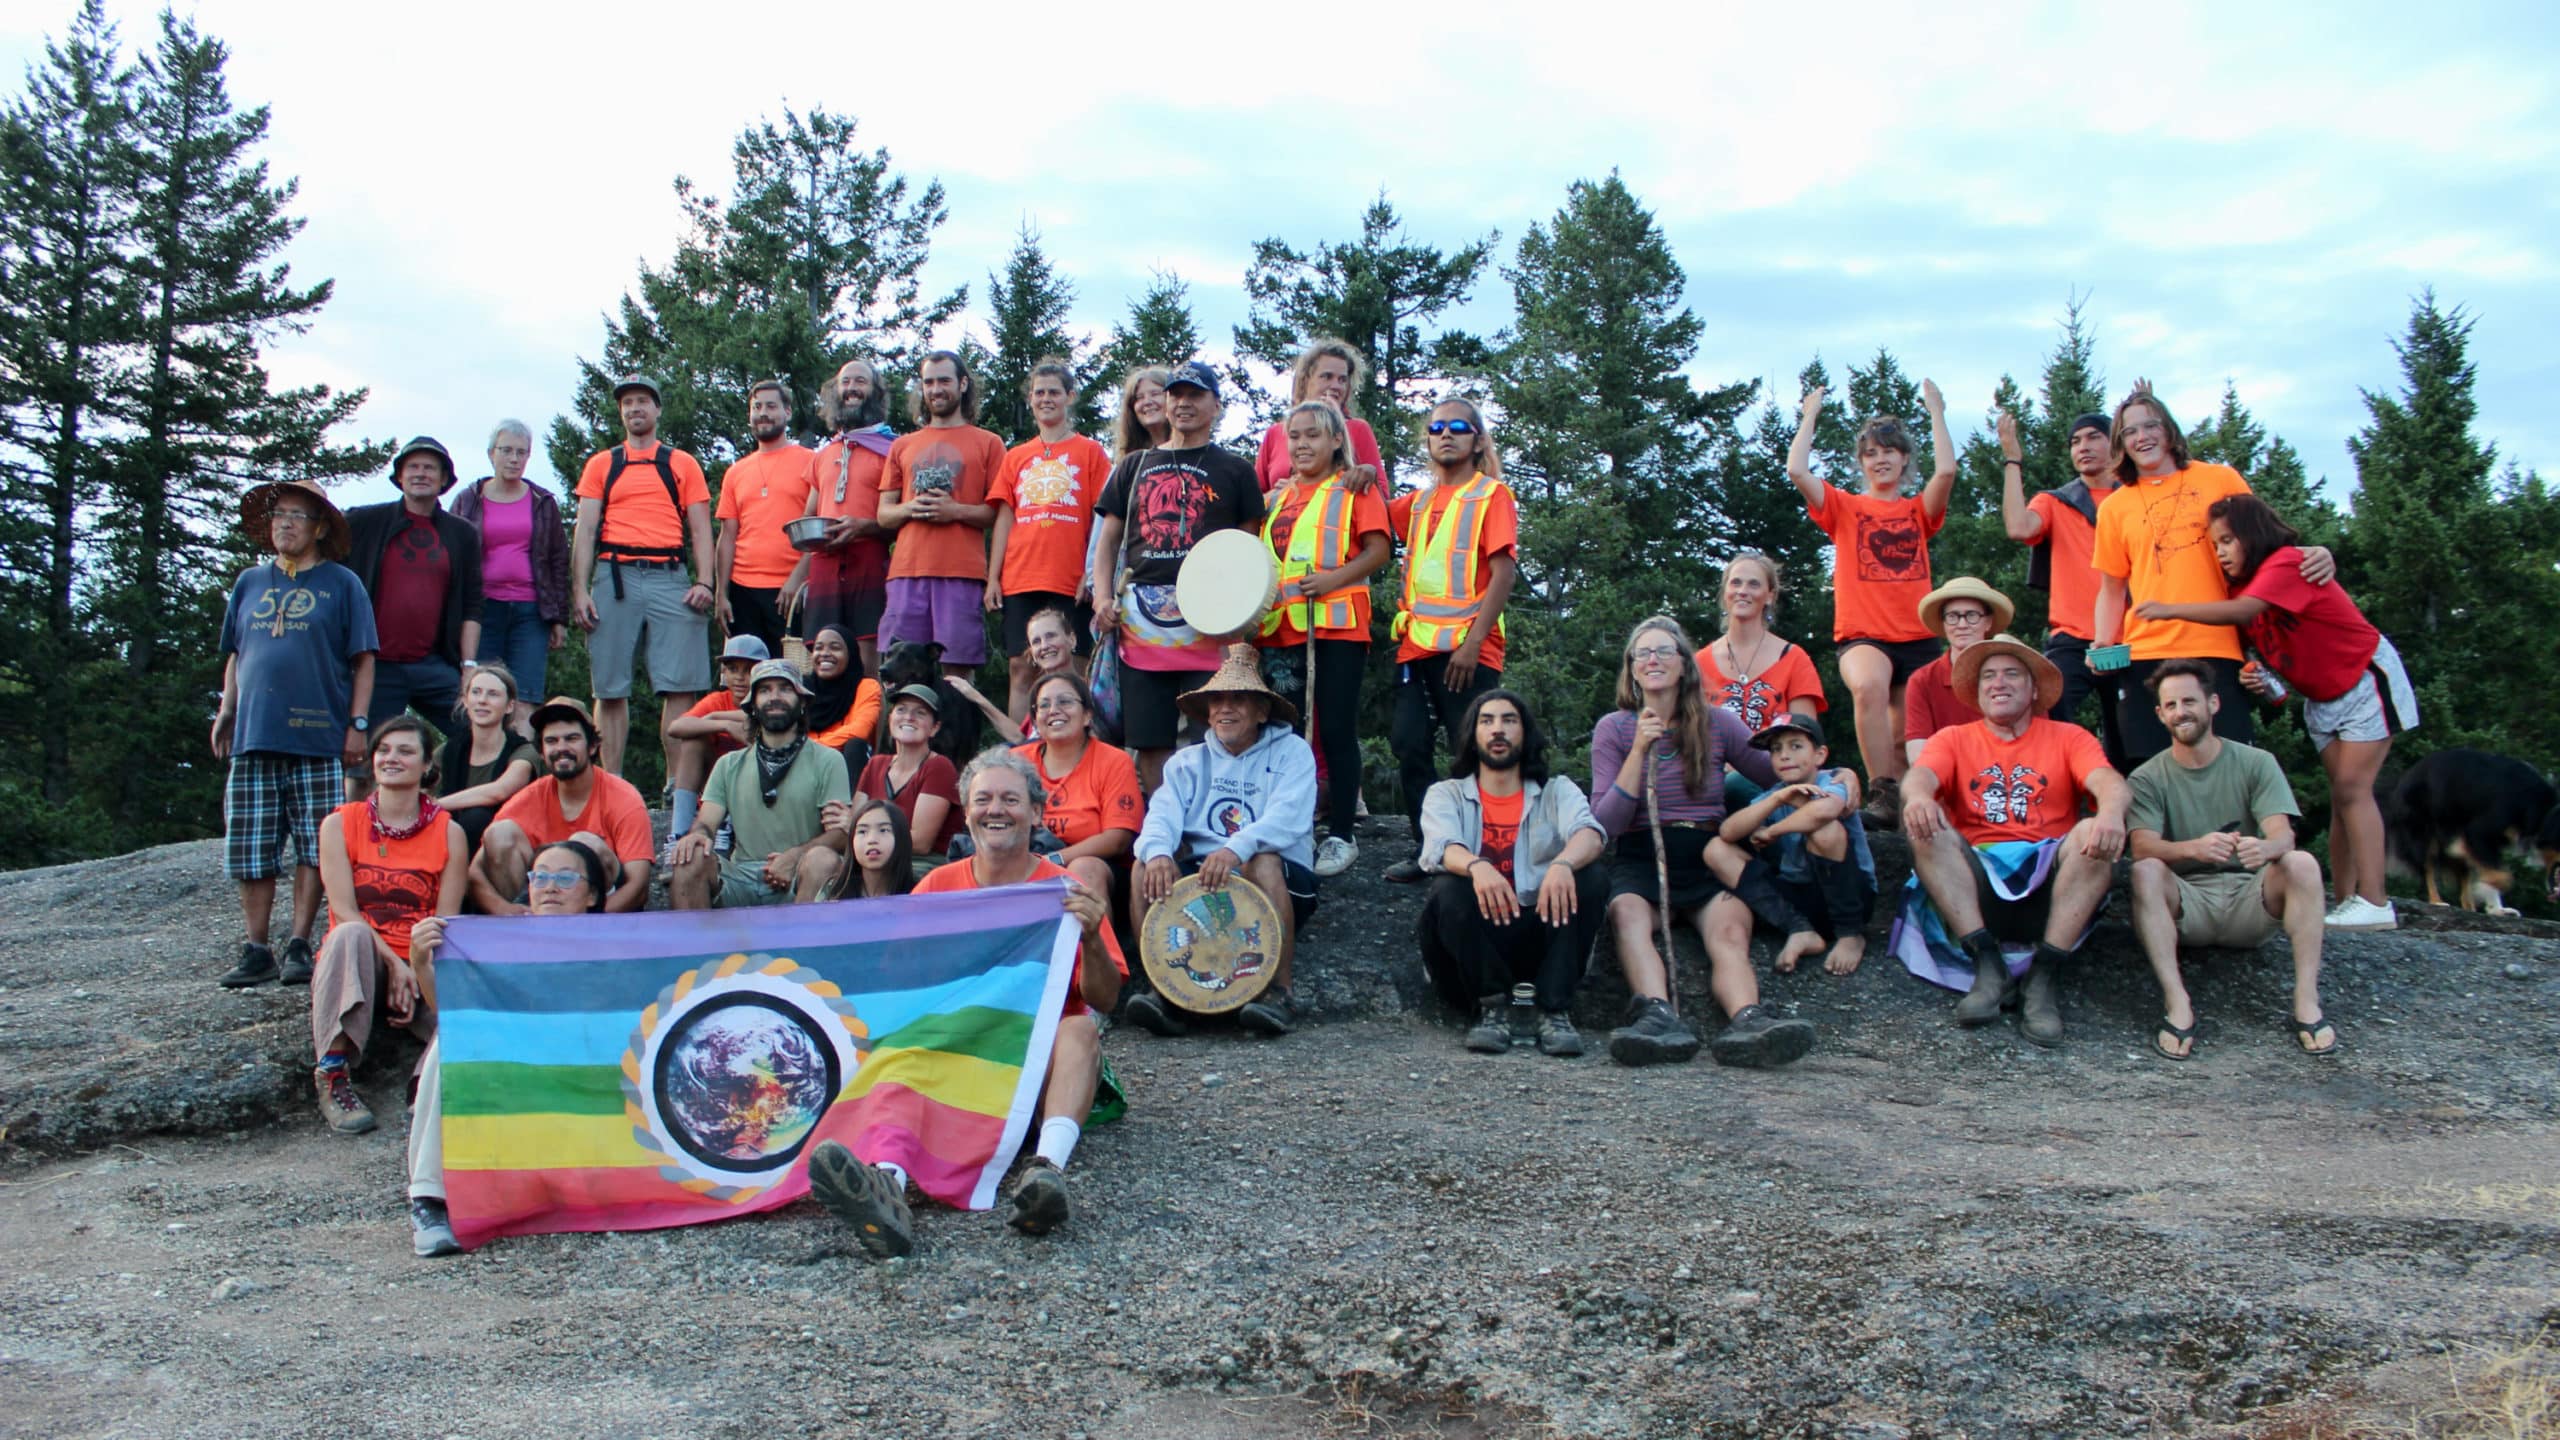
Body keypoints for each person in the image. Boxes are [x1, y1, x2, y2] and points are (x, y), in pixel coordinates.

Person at [809, 747, 1125, 1254]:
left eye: (1010, 799)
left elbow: (1106, 998)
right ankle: (885, 1186)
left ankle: (1047, 1171)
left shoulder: (1065, 891)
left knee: (1080, 1027)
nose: (995, 809)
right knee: (904, 1049)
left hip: (1037, 1061)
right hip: (963, 1051)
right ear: (967, 811)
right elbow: (901, 989)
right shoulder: (938, 887)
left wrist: (1090, 938)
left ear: (1036, 812)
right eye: (983, 799)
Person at [2133, 494, 2415, 932]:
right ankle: (2346, 901)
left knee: (2353, 789)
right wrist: (2267, 684)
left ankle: (2376, 901)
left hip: (2363, 677)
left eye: (2227, 541)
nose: (2222, 552)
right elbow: (2278, 654)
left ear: (2252, 534)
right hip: (2322, 698)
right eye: (2215, 545)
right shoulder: (2242, 587)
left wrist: (2169, 608)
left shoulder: (2283, 565)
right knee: (2341, 797)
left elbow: (2244, 611)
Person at [1591, 617, 1818, 1069]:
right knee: (1628, 915)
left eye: (1663, 651)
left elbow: (1775, 773)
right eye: (1642, 653)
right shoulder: (1614, 729)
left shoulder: (1719, 724)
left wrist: (1833, 780)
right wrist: (1638, 750)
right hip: (1640, 854)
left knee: (1731, 930)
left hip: (1706, 852)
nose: (1652, 660)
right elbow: (1606, 822)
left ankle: (1749, 1020)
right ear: (1632, 669)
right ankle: (1656, 1016)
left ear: (1684, 665)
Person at [2089, 384, 2339, 766]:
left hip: (2218, 648)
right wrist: (2103, 643)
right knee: (2150, 770)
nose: (2142, 437)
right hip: (2145, 654)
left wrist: (2316, 553)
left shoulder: (2220, 479)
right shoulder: (2114, 507)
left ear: (2169, 431)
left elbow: (2265, 541)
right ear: (2121, 444)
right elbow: (2111, 589)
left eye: (2150, 426)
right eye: (2130, 431)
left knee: (2229, 764)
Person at [1900, 634, 2128, 1047]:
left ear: (2034, 689)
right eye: (1988, 676)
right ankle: (1988, 964)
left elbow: (2108, 781)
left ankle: (2043, 977)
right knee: (1926, 829)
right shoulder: (1952, 739)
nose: (1997, 683)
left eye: (2011, 674)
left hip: (2052, 894)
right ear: (1978, 690)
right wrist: (1917, 796)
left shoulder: (2069, 737)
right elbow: (1920, 776)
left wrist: (2110, 814)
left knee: (2093, 832)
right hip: (1975, 893)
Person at [402, 836, 613, 1257]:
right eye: (541, 877)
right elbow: (452, 1013)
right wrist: (420, 961)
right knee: (451, 1040)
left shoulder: (619, 948)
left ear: (592, 895)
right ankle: (428, 1200)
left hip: (592, 1084)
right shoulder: (495, 944)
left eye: (566, 877)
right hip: (516, 1079)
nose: (550, 887)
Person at [2124, 660, 2337, 1060]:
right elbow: (2142, 847)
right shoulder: (2147, 778)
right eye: (2170, 705)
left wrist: (2267, 848)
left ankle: (2307, 1000)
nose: (2180, 712)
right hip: (2190, 905)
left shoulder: (2256, 763)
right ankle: (2177, 1003)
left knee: (2302, 862)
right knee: (2146, 871)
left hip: (2251, 901)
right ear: (2159, 714)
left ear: (2214, 703)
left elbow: (2283, 835)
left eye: (2189, 701)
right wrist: (2194, 848)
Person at [214, 478, 378, 988]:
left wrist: (357, 725)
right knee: (251, 845)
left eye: (297, 515)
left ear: (320, 527)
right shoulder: (250, 582)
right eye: (278, 514)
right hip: (255, 734)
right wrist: (226, 709)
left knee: (315, 845)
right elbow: (238, 653)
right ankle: (256, 945)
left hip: (317, 735)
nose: (284, 523)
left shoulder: (342, 584)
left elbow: (364, 659)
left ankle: (300, 944)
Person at [1125, 645, 1319, 1039]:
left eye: (1238, 699)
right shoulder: (1186, 762)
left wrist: (1236, 849)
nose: (1225, 709)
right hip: (1205, 878)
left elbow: (1289, 817)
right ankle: (1165, 989)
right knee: (1143, 865)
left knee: (1260, 859)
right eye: (1217, 700)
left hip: (1277, 875)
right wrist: (1159, 851)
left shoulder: (1293, 751)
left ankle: (1280, 993)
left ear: (1262, 711)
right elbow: (1161, 814)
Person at [1090, 361, 1266, 792]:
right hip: (1140, 622)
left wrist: (1243, 615)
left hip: (1212, 619)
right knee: (1150, 739)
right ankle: (1164, 830)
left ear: (1216, 405)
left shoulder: (1237, 471)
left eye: (1194, 395)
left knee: (1218, 732)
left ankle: (1213, 824)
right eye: (1176, 394)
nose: (1183, 403)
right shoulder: (1133, 467)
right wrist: (1100, 597)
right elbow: (1108, 540)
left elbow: (1249, 551)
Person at [1787, 382, 1957, 828]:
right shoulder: (1845, 507)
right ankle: (1881, 789)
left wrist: (1937, 412)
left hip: (1917, 635)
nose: (1880, 459)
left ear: (1904, 459)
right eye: (1871, 453)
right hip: (1864, 633)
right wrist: (1810, 416)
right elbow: (1798, 472)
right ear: (1861, 462)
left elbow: (1946, 474)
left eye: (1889, 452)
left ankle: (1908, 808)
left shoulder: (1918, 512)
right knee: (1868, 686)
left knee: (1905, 735)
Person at [1415, 689, 1607, 1058]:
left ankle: (1553, 1009)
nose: (1497, 730)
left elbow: (1590, 833)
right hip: (1472, 954)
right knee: (1448, 889)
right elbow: (1439, 848)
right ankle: (1492, 1007)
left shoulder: (1556, 792)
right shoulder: (1447, 794)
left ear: (1526, 733)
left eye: (1509, 720)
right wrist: (1477, 866)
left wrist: (1563, 864)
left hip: (1538, 939)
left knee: (1591, 877)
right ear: (1473, 735)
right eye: (1486, 721)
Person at [1384, 399, 1520, 882]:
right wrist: (1354, 473)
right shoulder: (1418, 502)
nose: (1445, 434)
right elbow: (1371, 518)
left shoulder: (1491, 496)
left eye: (1458, 427)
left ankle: (1483, 851)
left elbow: (1503, 572)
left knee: (1473, 751)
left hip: (1469, 650)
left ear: (1478, 440)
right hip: (1415, 646)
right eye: (1436, 427)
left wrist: (1472, 641)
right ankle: (1430, 850)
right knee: (1409, 743)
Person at [308, 717, 465, 1135]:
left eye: (405, 751)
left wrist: (414, 967)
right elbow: (344, 909)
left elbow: (442, 923)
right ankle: (333, 1074)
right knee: (349, 933)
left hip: (418, 958)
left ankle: (426, 1084)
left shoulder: (450, 833)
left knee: (471, 1005)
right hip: (362, 959)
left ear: (427, 765)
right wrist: (394, 967)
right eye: (384, 750)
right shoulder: (340, 824)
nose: (391, 758)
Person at [1257, 399, 1393, 878]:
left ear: (1337, 439)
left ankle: (1341, 834)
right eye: (1294, 436)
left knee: (1334, 727)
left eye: (1312, 434)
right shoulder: (1278, 497)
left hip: (1335, 623)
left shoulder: (1354, 487)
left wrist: (1333, 581)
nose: (1301, 444)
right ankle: (1292, 827)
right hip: (1281, 629)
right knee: (1285, 733)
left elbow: (1380, 549)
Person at [571, 375, 715, 776]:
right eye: (627, 403)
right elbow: (585, 529)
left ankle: (675, 785)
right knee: (609, 686)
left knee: (681, 684)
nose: (634, 408)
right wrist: (580, 590)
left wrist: (704, 581)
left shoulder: (681, 463)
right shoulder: (603, 464)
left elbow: (701, 528)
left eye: (642, 401)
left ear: (657, 409)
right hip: (613, 574)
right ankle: (609, 782)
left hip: (670, 575)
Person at [667, 661, 850, 908]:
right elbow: (706, 823)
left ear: (803, 702)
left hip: (800, 874)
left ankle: (804, 946)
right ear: (752, 705)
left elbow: (839, 835)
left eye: (785, 689)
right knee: (691, 857)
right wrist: (696, 836)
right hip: (742, 875)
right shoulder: (728, 764)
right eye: (765, 690)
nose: (774, 697)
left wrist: (795, 856)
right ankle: (698, 947)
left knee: (823, 860)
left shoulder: (829, 760)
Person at [1999, 409, 2125, 766]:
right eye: (2075, 441)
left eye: (2093, 437)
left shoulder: (2132, 499)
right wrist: (2012, 459)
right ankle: (2062, 806)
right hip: (2073, 637)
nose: (2083, 447)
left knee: (2132, 737)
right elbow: (2019, 527)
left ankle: (2130, 816)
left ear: (2114, 444)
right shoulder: (2057, 501)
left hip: (2130, 638)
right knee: (2047, 710)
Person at [986, 359, 1109, 717]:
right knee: (1021, 667)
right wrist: (993, 577)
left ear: (1070, 396)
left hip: (1071, 576)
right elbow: (1004, 519)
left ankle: (1080, 746)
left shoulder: (1090, 452)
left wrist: (1093, 572)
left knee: (1076, 666)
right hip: (1021, 577)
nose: (1046, 399)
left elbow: (1102, 520)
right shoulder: (1016, 456)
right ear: (1030, 399)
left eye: (1054, 392)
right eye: (1039, 393)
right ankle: (1021, 755)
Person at [347, 437, 485, 750]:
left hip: (433, 663)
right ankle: (363, 802)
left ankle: (451, 794)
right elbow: (323, 534)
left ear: (444, 480)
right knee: (362, 760)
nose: (420, 473)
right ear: (399, 476)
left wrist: (468, 667)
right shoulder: (364, 523)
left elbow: (472, 605)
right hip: (376, 665)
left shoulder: (461, 534)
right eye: (413, 467)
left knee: (480, 732)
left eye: (429, 468)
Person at [878, 350, 1005, 679]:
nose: (936, 389)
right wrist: (909, 508)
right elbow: (883, 515)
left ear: (963, 384)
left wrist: (954, 511)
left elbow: (997, 513)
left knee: (957, 673)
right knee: (899, 670)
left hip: (961, 573)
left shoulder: (989, 443)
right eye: (929, 382)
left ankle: (959, 732)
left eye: (944, 381)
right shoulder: (902, 445)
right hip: (906, 572)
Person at [1720, 714, 1877, 978]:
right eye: (1776, 750)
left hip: (1851, 896)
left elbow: (1825, 810)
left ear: (1819, 754)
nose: (1784, 756)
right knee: (1717, 850)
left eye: (1796, 746)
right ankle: (1799, 929)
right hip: (1800, 897)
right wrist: (1777, 799)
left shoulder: (1832, 781)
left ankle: (1851, 935)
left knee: (1825, 831)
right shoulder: (1774, 794)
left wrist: (1773, 830)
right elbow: (1727, 832)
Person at [469, 697, 654, 914]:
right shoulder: (532, 796)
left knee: (583, 844)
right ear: (541, 751)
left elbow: (639, 886)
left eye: (571, 738)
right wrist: (504, 909)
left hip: (602, 918)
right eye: (552, 741)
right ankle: (528, 933)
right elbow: (475, 871)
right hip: (538, 912)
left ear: (593, 746)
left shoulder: (623, 797)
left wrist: (587, 924)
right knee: (500, 833)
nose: (561, 748)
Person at [450, 420, 570, 724]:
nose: (514, 459)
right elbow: (451, 555)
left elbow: (558, 559)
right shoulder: (469, 499)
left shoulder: (543, 502)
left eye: (521, 452)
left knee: (526, 697)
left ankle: (523, 768)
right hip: (482, 610)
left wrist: (558, 618)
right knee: (482, 696)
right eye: (507, 451)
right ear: (491, 454)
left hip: (531, 610)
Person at [784, 359, 897, 677]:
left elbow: (902, 521)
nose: (851, 388)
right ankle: (824, 727)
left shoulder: (893, 450)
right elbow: (810, 515)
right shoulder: (824, 454)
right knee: (822, 656)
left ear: (875, 391)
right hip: (825, 564)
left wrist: (865, 527)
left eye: (860, 382)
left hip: (869, 561)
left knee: (865, 658)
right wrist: (797, 571)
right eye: (845, 382)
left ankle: (868, 726)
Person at [1011, 672, 1142, 914]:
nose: (1053, 710)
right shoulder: (1015, 761)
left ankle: (1098, 951)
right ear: (1035, 719)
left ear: (1087, 716)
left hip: (1101, 869)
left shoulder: (1114, 761)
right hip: (1027, 862)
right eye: (1044, 705)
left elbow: (1118, 839)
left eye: (1065, 701)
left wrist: (1054, 860)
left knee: (1083, 868)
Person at [714, 378, 817, 655]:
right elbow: (727, 536)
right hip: (742, 590)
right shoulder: (736, 471)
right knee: (745, 678)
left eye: (771, 406)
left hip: (791, 589)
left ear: (787, 412)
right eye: (756, 407)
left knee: (793, 674)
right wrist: (721, 594)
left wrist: (797, 578)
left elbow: (817, 530)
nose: (762, 413)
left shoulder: (810, 461)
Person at [1695, 552, 1828, 735]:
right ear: (1725, 592)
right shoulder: (1698, 663)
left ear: (1769, 596)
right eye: (1736, 583)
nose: (1743, 591)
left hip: (1775, 763)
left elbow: (1804, 739)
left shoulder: (1794, 659)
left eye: (1754, 584)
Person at [664, 635, 770, 844]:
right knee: (693, 741)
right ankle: (679, 832)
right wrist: (724, 725)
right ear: (724, 672)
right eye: (733, 669)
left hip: (758, 795)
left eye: (748, 670)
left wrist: (714, 717)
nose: (740, 677)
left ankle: (727, 825)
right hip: (715, 791)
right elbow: (676, 727)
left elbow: (758, 718)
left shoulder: (769, 697)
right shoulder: (718, 700)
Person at [1253, 338, 1386, 494]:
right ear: (1306, 380)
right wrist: (1280, 495)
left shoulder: (1357, 429)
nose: (1336, 386)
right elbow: (1253, 500)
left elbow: (1382, 496)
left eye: (1342, 380)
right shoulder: (1276, 433)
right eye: (1327, 377)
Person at [1901, 577, 2012, 764]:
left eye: (1972, 616)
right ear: (1943, 624)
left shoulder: (2017, 674)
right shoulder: (1922, 681)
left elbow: (2037, 741)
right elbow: (1919, 756)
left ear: (1988, 622)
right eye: (1952, 617)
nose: (1961, 625)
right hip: (1949, 782)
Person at [434, 661, 536, 854]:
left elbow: (498, 791)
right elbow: (418, 778)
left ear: (509, 706)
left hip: (507, 847)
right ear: (465, 700)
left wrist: (434, 805)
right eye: (476, 692)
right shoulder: (450, 749)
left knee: (476, 819)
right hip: (453, 840)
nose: (482, 700)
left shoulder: (523, 750)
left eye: (493, 694)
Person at [859, 684, 962, 858]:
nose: (908, 717)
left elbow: (920, 842)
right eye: (901, 710)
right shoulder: (875, 765)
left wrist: (866, 837)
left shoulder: (939, 767)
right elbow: (857, 822)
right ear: (890, 719)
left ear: (934, 728)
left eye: (920, 713)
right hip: (873, 858)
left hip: (920, 863)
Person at [949, 605, 1081, 740]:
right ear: (1032, 653)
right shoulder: (1039, 695)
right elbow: (1022, 740)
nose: (1044, 646)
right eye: (1036, 641)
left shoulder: (1090, 691)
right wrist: (975, 696)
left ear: (1072, 640)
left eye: (1051, 636)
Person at [803, 624, 883, 766]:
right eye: (818, 648)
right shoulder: (802, 687)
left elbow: (860, 730)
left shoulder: (866, 687)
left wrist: (813, 748)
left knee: (855, 745)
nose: (825, 653)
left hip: (844, 763)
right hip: (805, 762)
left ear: (850, 654)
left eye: (835, 648)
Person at [825, 795, 917, 899]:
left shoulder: (919, 892)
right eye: (862, 831)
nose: (872, 840)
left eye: (883, 830)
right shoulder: (834, 891)